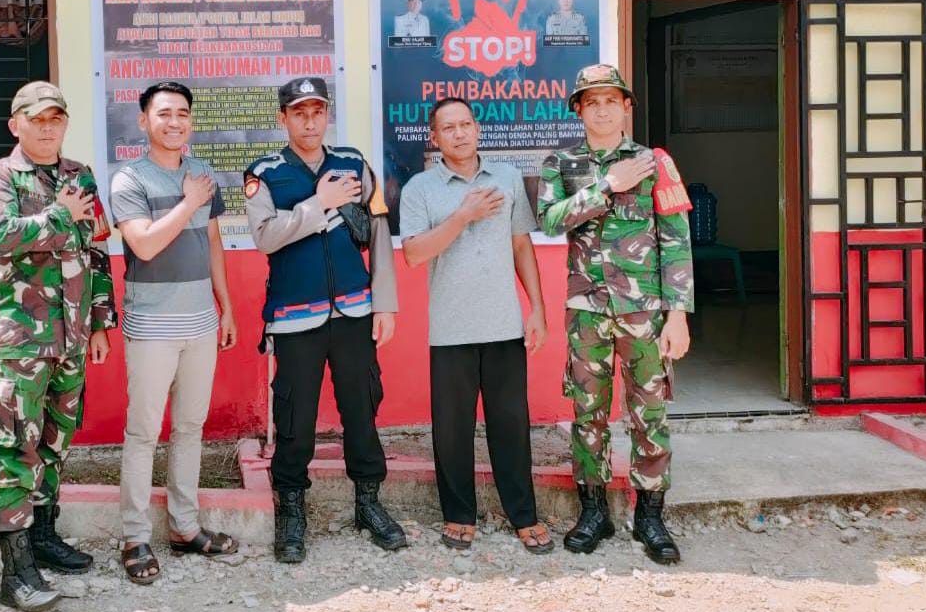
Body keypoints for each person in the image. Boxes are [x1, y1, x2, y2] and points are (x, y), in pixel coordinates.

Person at [244, 77, 407, 563]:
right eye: (299, 113)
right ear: (283, 119)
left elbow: (378, 230)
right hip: (296, 319)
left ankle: (368, 503)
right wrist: (320, 203)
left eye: (317, 111)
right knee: (295, 417)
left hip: (355, 311)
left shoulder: (353, 163)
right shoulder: (265, 172)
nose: (310, 122)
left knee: (362, 407)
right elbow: (265, 237)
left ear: (327, 115)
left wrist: (385, 301)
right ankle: (292, 510)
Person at [536, 65, 694, 565]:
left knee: (650, 413)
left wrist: (678, 315)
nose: (602, 110)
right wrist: (606, 185)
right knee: (589, 413)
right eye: (592, 102)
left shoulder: (654, 163)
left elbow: (675, 241)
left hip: (644, 311)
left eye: (611, 100)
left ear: (626, 107)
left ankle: (650, 515)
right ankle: (594, 512)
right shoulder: (560, 163)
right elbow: (549, 220)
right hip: (587, 311)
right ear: (579, 110)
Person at [0, 81, 118, 612]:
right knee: (15, 447)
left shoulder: (80, 175)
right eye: (36, 119)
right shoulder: (0, 176)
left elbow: (97, 251)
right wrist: (59, 214)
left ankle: (42, 536)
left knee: (56, 440)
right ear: (15, 124)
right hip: (20, 341)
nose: (46, 128)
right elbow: (0, 236)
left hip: (72, 338)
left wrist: (100, 323)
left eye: (55, 119)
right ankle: (14, 573)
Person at [400, 98, 552, 554]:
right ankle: (458, 515)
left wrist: (537, 309)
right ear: (434, 138)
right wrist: (463, 215)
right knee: (452, 430)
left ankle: (523, 515)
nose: (460, 133)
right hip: (451, 329)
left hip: (503, 324)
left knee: (511, 425)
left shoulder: (506, 177)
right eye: (449, 127)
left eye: (466, 124)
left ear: (477, 129)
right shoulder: (420, 188)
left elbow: (522, 246)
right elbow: (414, 254)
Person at [109, 81, 240, 585]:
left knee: (190, 428)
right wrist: (187, 203)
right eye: (164, 113)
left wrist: (226, 307)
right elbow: (143, 245)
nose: (174, 121)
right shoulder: (129, 179)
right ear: (144, 121)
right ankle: (134, 537)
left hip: (201, 323)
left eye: (182, 113)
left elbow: (213, 242)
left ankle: (185, 527)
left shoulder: (203, 174)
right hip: (151, 326)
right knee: (143, 432)